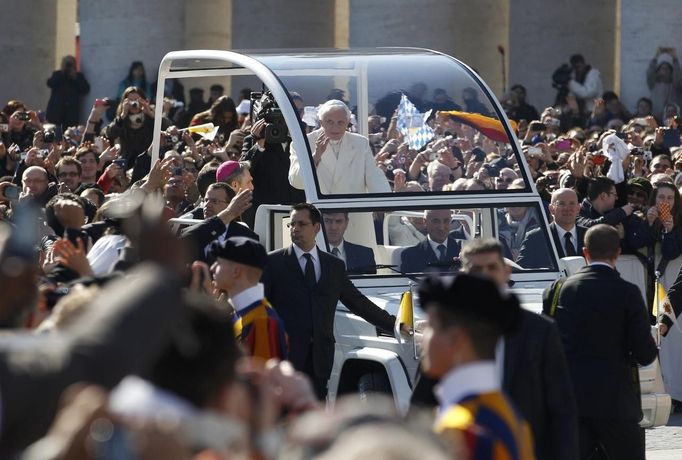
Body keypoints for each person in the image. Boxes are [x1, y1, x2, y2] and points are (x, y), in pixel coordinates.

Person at [412, 238, 579, 460]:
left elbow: (561, 407)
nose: (484, 275)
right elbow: (421, 402)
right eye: (476, 269)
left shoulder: (540, 330)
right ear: (463, 274)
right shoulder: (446, 328)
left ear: (506, 271)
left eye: (491, 267)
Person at [542, 224, 658, 460]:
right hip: (615, 402)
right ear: (617, 253)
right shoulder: (628, 292)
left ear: (585, 252)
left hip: (570, 401)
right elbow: (645, 354)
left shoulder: (556, 290)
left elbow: (546, 344)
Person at [261, 203, 399, 398]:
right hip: (285, 358)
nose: (295, 229)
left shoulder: (333, 266)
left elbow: (358, 303)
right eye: (292, 225)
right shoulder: (273, 263)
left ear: (316, 227)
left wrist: (395, 324)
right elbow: (260, 307)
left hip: (320, 359)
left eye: (301, 224)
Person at [418, 273, 534, 460]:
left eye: (430, 326)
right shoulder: (505, 411)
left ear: (456, 339)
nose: (421, 336)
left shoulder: (462, 431)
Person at [289, 99, 390, 195]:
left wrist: (386, 204)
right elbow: (296, 182)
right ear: (321, 123)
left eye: (340, 122)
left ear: (347, 123)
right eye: (330, 122)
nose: (335, 127)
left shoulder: (360, 143)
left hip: (353, 210)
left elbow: (374, 177)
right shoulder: (302, 143)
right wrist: (315, 157)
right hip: (322, 210)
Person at [210, 237, 288, 361]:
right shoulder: (238, 312)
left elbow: (259, 379)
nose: (212, 268)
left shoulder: (262, 321)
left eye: (218, 263)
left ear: (236, 271)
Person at [517, 188, 586, 268]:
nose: (567, 208)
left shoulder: (590, 236)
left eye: (572, 203)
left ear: (578, 208)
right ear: (551, 209)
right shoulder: (536, 238)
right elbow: (521, 270)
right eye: (561, 204)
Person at [400, 209, 462, 273]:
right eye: (435, 221)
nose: (441, 227)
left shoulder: (463, 250)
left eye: (446, 221)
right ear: (425, 222)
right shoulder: (410, 256)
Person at [45, 55, 90, 130]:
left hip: (71, 113)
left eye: (70, 63)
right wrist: (62, 73)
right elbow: (50, 83)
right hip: (56, 111)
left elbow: (85, 89)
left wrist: (74, 77)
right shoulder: (57, 74)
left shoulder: (78, 76)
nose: (68, 66)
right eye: (67, 63)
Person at [646, 47, 682, 121]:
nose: (665, 71)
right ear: (658, 71)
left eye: (667, 69)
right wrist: (656, 56)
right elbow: (650, 73)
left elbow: (677, 75)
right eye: (662, 68)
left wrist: (674, 57)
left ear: (671, 72)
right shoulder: (653, 85)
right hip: (656, 118)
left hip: (673, 119)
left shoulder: (675, 86)